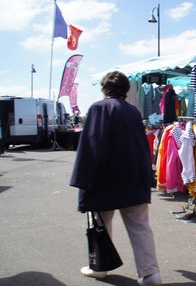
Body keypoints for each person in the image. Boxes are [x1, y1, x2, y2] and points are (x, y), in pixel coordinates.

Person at [69, 71, 162, 286]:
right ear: (125, 90)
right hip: (133, 179)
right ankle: (150, 275)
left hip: (105, 180)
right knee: (140, 227)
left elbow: (91, 146)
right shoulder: (133, 111)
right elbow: (142, 149)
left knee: (101, 223)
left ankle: (99, 266)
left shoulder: (98, 108)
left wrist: (84, 180)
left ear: (104, 88)